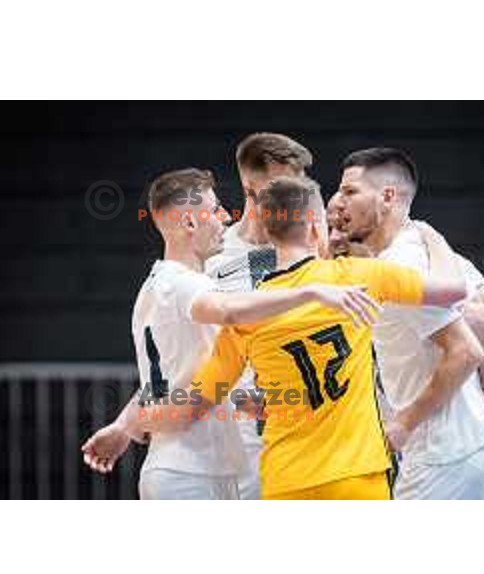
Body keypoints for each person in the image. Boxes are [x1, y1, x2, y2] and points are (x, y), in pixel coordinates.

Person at [81, 167, 379, 499]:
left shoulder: (162, 285)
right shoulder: (183, 284)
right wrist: (312, 291)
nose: (225, 217)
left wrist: (126, 426)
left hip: (196, 463)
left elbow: (176, 379)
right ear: (191, 223)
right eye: (216, 208)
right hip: (189, 468)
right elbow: (230, 312)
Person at [186, 176, 469, 500]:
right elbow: (453, 290)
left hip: (286, 478)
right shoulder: (358, 275)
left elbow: (204, 396)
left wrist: (255, 401)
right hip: (356, 475)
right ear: (314, 228)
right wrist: (433, 238)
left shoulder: (252, 310)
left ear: (266, 232)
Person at [332, 147, 484, 499]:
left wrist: (403, 423)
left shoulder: (402, 266)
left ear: (387, 196)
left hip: (444, 455)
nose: (340, 202)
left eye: (350, 191)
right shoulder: (429, 251)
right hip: (480, 448)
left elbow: (465, 353)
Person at [204, 132, 314, 499]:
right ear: (251, 188)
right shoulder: (214, 258)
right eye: (283, 183)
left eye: (298, 183)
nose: (293, 193)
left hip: (309, 426)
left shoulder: (313, 248)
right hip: (240, 430)